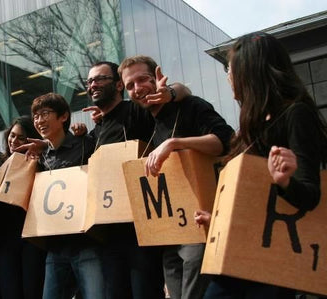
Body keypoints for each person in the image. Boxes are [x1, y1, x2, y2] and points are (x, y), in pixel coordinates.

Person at [196, 32, 327, 299]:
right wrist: (221, 220)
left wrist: (285, 180)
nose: (228, 77)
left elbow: (310, 195)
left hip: (272, 261)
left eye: (230, 70)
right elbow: (252, 196)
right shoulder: (251, 123)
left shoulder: (296, 114)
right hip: (241, 253)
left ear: (250, 72)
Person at [118, 55, 234, 299]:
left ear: (158, 77)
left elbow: (224, 141)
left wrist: (174, 143)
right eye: (130, 85)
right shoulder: (147, 120)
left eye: (143, 79)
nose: (137, 88)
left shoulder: (190, 106)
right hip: (170, 232)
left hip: (200, 223)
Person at [74, 61, 190, 299]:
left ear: (118, 85)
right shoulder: (98, 129)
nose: (93, 84)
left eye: (99, 79)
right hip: (109, 230)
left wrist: (171, 92)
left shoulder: (136, 110)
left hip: (142, 228)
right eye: (89, 81)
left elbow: (183, 93)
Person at [29, 93, 103, 299]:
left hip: (87, 243)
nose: (39, 120)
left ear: (63, 117)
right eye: (35, 116)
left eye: (45, 114)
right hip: (56, 246)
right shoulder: (42, 157)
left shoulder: (85, 144)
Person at [0, 116, 47, 299]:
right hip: (4, 240)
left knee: (32, 290)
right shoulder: (0, 162)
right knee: (9, 291)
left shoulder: (40, 163)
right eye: (12, 135)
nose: (14, 141)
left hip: (32, 238)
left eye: (21, 137)